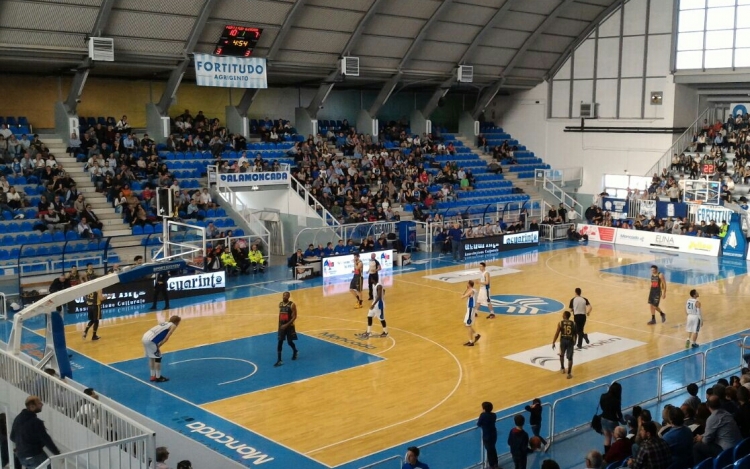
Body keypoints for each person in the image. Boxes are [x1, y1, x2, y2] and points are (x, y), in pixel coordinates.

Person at [10, 396, 61, 469]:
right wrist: (57, 453)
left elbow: (12, 437)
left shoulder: (17, 419)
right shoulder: (36, 422)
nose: (42, 404)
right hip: (34, 455)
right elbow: (46, 439)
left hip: (21, 457)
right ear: (32, 406)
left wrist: (22, 444)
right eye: (39, 403)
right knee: (47, 466)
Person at [693, 395, 742, 462]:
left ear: (707, 406)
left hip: (727, 450)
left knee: (697, 446)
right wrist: (703, 436)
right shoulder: (726, 413)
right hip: (738, 446)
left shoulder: (712, 418)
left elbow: (706, 440)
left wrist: (700, 438)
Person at [141, 316, 181, 382]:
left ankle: (153, 376)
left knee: (151, 357)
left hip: (145, 337)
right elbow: (166, 338)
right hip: (151, 340)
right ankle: (158, 377)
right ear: (177, 322)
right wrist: (159, 345)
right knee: (158, 358)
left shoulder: (165, 323)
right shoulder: (173, 325)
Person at [274, 292, 298, 367]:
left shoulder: (292, 305)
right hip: (282, 326)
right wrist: (280, 325)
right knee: (280, 341)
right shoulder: (280, 304)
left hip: (289, 326)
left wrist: (286, 324)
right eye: (283, 295)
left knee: (289, 342)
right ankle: (279, 360)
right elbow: (281, 315)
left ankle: (295, 351)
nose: (284, 297)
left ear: (289, 297)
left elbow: (294, 317)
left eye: (286, 296)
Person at [599, 382, 623, 454]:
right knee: (616, 438)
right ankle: (617, 453)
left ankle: (607, 454)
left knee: (607, 437)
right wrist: (622, 420)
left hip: (603, 419)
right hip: (612, 421)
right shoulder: (616, 400)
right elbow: (619, 413)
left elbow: (601, 406)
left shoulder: (603, 396)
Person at [552, 310, 577, 379]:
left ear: (565, 316)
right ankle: (569, 373)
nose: (562, 315)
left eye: (563, 314)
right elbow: (575, 334)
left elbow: (557, 333)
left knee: (561, 354)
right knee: (570, 358)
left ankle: (562, 368)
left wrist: (553, 341)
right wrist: (575, 341)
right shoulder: (573, 323)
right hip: (570, 340)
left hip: (563, 340)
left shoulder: (560, 323)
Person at [477, 401, 499, 469]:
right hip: (493, 434)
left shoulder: (483, 415)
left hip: (487, 436)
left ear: (484, 409)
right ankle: (495, 464)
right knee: (493, 449)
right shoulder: (494, 415)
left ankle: (491, 465)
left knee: (489, 451)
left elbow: (479, 424)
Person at [461, 280, 481, 346]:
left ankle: (471, 341)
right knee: (466, 324)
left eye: (467, 284)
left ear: (469, 285)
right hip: (470, 309)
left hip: (470, 309)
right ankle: (476, 335)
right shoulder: (474, 290)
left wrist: (465, 290)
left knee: (468, 325)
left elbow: (462, 297)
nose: (466, 285)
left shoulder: (471, 291)